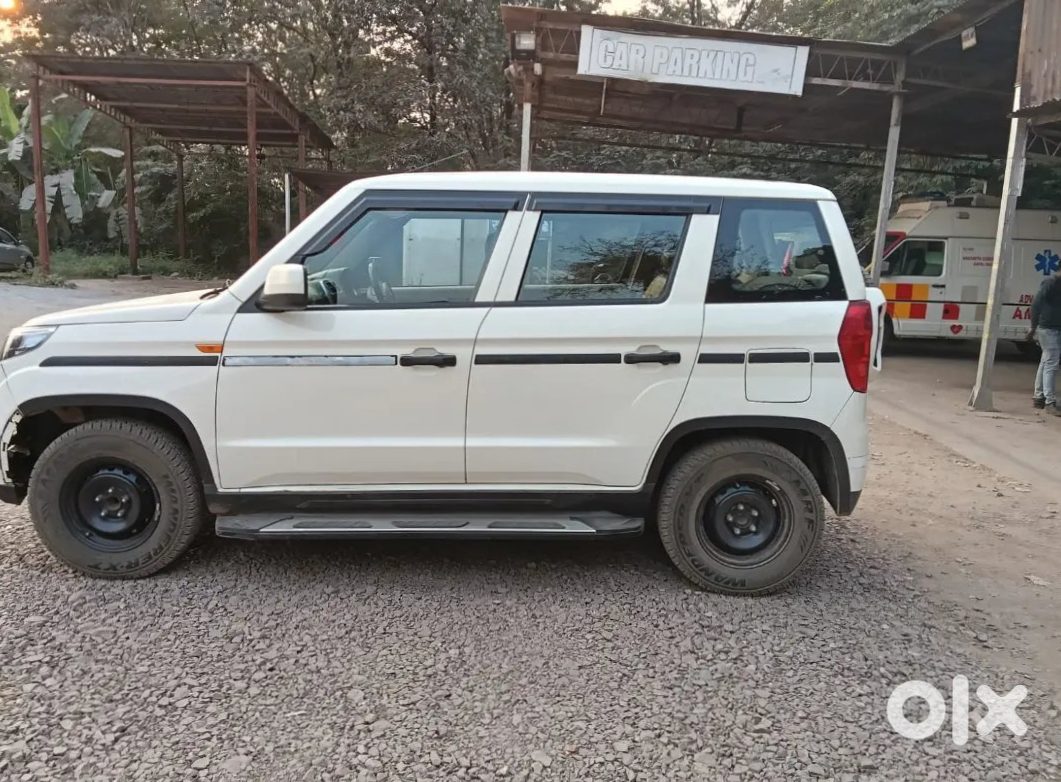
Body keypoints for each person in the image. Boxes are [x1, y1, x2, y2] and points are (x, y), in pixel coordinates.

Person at [1030, 267, 1061, 415]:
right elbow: (1036, 305)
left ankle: (1039, 397)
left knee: (1046, 361)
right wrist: (1033, 327)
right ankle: (1050, 402)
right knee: (1051, 364)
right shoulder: (1050, 284)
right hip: (1048, 329)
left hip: (1054, 328)